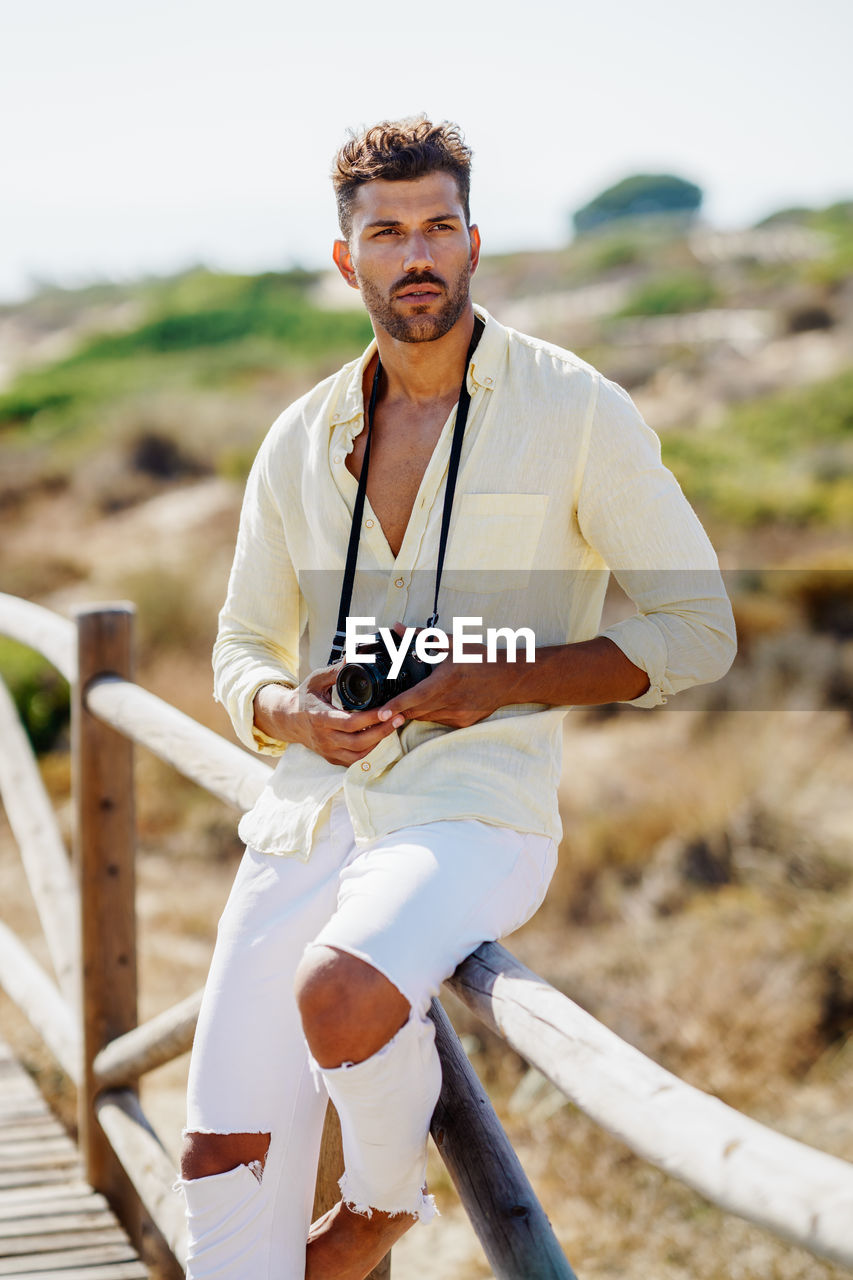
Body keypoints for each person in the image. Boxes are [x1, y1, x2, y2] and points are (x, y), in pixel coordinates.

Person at [175, 117, 736, 1280]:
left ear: (474, 241)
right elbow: (239, 644)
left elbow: (699, 631)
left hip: (475, 810)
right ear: (348, 261)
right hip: (308, 804)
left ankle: (383, 1202)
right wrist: (292, 707)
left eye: (437, 226)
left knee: (340, 992)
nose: (414, 252)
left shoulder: (576, 408)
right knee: (218, 1152)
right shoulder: (299, 435)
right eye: (386, 232)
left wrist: (501, 682)